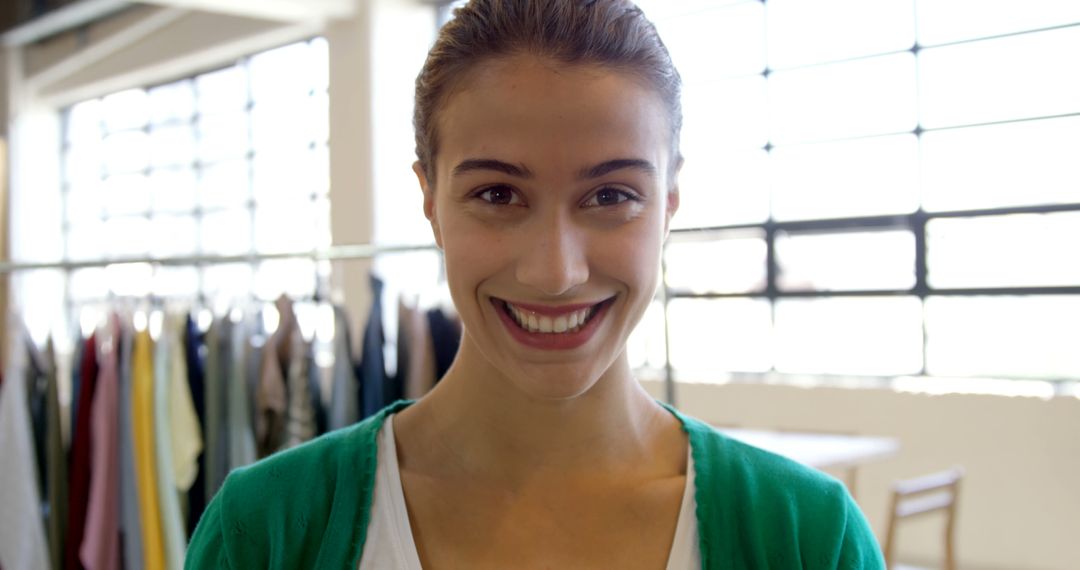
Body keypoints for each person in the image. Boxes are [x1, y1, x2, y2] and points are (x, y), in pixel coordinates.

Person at [185, 1, 885, 568]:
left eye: (611, 196)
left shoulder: (807, 536)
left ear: (669, 203)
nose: (556, 272)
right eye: (497, 195)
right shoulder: (267, 530)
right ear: (429, 200)